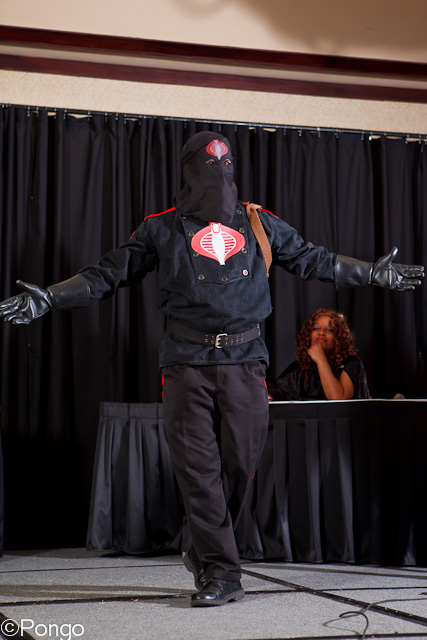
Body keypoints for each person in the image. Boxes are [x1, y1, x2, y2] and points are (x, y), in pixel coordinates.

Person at [0, 131, 423, 607]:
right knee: (199, 473)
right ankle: (223, 573)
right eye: (207, 162)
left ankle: (199, 543)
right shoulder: (161, 228)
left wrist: (371, 273)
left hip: (245, 362)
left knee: (241, 465)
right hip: (187, 365)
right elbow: (107, 273)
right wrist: (50, 298)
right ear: (187, 169)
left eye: (225, 162)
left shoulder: (258, 222)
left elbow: (313, 259)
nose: (218, 171)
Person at [268, 309, 370, 401]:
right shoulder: (302, 367)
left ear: (338, 337)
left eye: (329, 329)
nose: (321, 332)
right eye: (316, 328)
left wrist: (321, 359)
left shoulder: (351, 363)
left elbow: (337, 399)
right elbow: (275, 390)